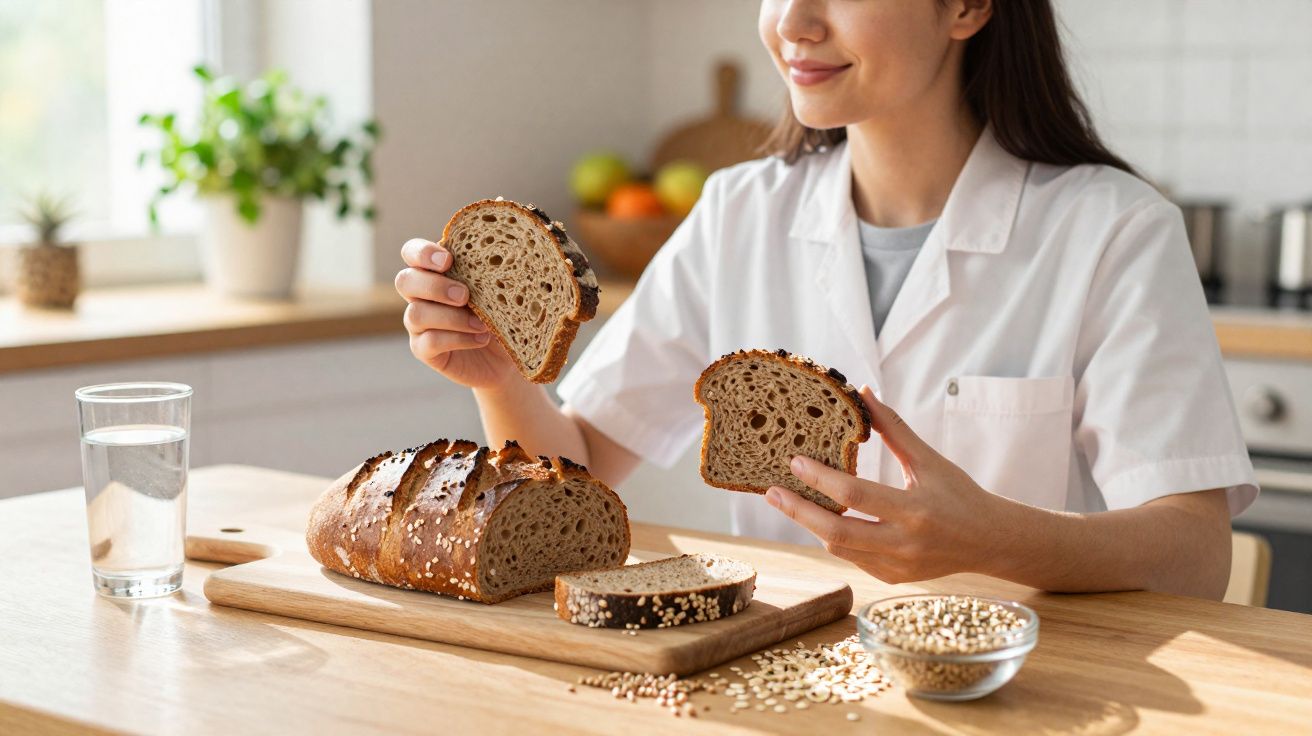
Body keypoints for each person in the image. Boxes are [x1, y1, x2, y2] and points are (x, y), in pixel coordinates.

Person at [394, 0, 1257, 600]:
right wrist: (499, 377)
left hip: (1022, 693)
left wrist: (997, 537)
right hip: (772, 687)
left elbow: (1195, 553)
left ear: (967, 8)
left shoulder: (1114, 229)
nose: (793, 25)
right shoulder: (739, 210)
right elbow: (569, 475)